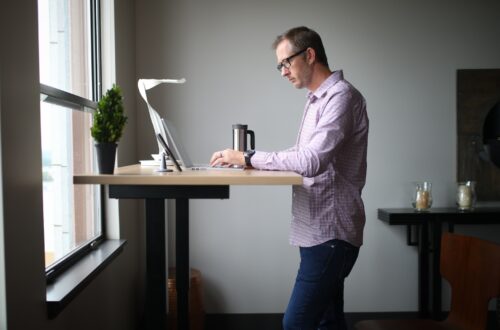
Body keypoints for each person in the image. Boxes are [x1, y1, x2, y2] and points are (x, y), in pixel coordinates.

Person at [210, 26, 368, 330]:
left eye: (286, 62)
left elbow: (310, 161)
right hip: (317, 230)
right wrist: (249, 163)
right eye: (279, 65)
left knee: (296, 324)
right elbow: (301, 154)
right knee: (327, 321)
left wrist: (247, 157)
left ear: (309, 55)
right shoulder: (317, 100)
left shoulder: (341, 97)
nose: (282, 72)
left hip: (330, 233)